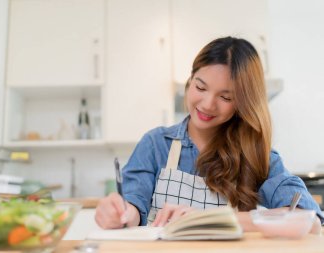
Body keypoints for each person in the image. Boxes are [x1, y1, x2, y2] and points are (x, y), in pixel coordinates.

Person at [95, 36, 323, 233]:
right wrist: (120, 214)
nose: (207, 104)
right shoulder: (156, 145)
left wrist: (214, 220)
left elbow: (310, 220)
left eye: (225, 97)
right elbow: (134, 208)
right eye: (201, 87)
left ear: (243, 104)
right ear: (190, 80)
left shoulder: (256, 156)